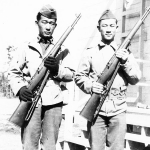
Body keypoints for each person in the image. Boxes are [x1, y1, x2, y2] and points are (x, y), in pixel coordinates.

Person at [7, 4, 75, 150]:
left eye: (51, 23)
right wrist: (20, 89)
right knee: (29, 145)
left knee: (50, 145)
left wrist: (58, 69)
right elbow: (12, 72)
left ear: (55, 25)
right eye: (44, 22)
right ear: (37, 23)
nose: (48, 27)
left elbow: (71, 74)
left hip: (54, 102)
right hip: (31, 100)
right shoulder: (26, 47)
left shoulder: (62, 50)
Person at [74, 9, 141, 150]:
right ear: (99, 28)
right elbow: (79, 76)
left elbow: (135, 78)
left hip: (118, 109)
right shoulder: (90, 52)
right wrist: (91, 86)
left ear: (116, 28)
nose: (108, 30)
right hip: (97, 109)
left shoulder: (125, 52)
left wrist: (125, 62)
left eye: (112, 26)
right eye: (105, 26)